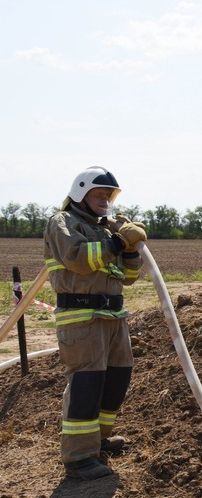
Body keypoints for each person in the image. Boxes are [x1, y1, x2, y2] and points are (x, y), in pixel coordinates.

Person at [43, 167, 147, 480]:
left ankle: (98, 442)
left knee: (117, 379)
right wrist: (117, 243)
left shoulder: (104, 230)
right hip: (82, 319)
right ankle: (79, 457)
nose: (105, 201)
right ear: (80, 193)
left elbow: (128, 279)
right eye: (98, 194)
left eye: (108, 196)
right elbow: (77, 258)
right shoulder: (63, 223)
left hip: (113, 317)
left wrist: (130, 251)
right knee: (87, 384)